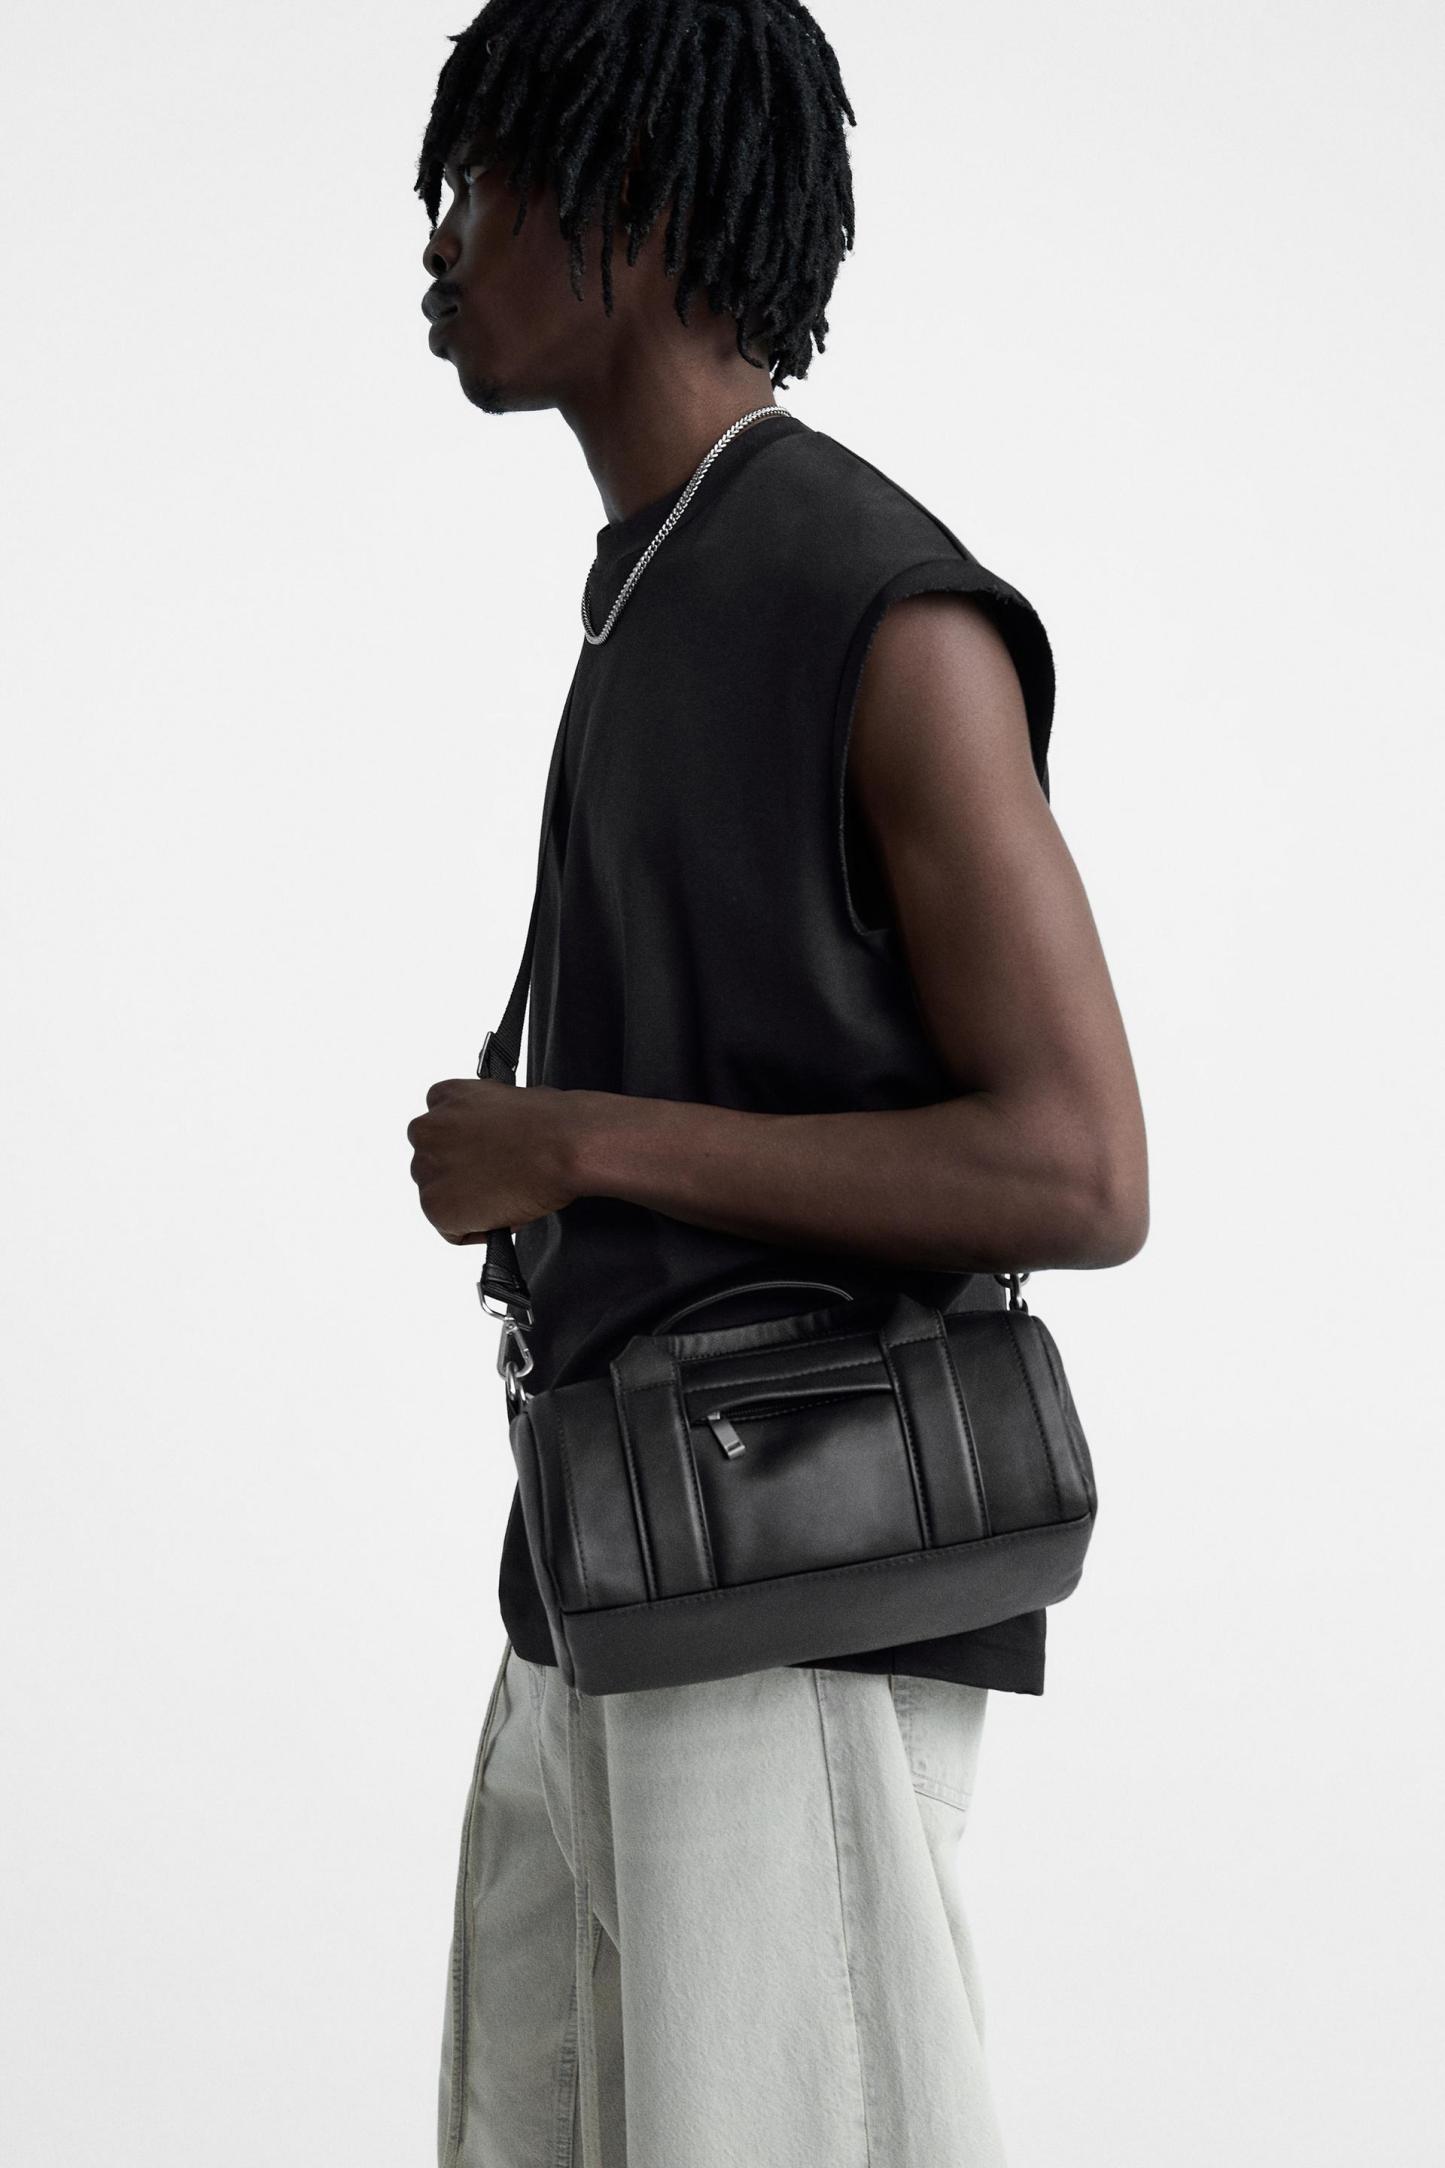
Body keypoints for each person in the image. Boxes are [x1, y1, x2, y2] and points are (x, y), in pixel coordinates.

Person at [405, 3, 1148, 2163]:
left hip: (787, 1586)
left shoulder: (869, 602)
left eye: (483, 186)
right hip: (613, 1556)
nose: (438, 244)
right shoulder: (658, 583)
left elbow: (1081, 1167)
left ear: (633, 209)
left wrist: (572, 1143)